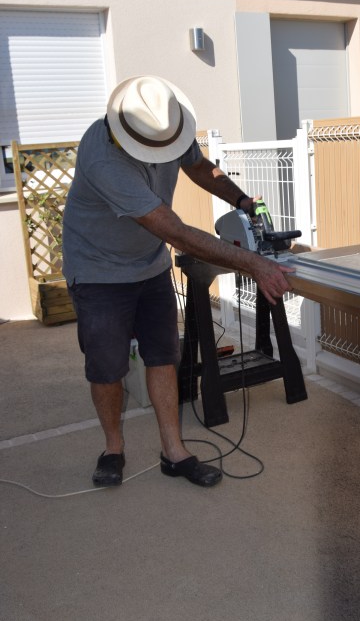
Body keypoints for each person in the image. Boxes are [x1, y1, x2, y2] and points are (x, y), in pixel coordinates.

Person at [62, 75, 293, 489]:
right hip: (98, 271)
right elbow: (177, 232)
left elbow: (201, 167)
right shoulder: (103, 159)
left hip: (149, 264)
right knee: (107, 367)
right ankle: (113, 448)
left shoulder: (164, 126)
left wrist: (241, 199)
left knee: (163, 356)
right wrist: (253, 264)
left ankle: (174, 451)